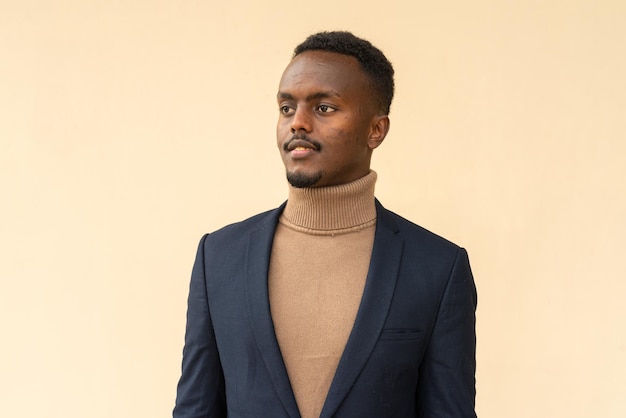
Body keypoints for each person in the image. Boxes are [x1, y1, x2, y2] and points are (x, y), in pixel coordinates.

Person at [173, 31, 477, 418]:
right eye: (286, 108)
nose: (298, 123)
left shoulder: (438, 268)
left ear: (376, 130)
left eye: (324, 108)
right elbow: (195, 409)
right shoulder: (218, 257)